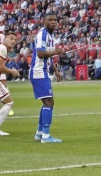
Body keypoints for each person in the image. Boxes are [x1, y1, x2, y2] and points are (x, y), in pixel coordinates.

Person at [30, 12, 64, 143]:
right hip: (39, 72)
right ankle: (45, 136)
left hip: (44, 72)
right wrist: (56, 52)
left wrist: (55, 70)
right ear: (44, 22)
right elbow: (40, 53)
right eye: (50, 20)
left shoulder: (51, 35)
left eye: (55, 20)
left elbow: (48, 56)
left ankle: (39, 133)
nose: (53, 22)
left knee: (47, 102)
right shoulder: (42, 34)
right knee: (49, 102)